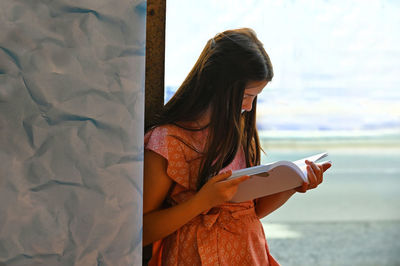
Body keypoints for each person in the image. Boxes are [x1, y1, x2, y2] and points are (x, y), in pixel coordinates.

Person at [143, 28, 331, 266]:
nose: (250, 107)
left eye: (256, 97)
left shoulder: (237, 133)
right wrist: (202, 202)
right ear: (215, 85)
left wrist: (293, 184)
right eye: (246, 95)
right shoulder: (168, 141)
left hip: (248, 254)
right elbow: (142, 230)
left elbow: (252, 212)